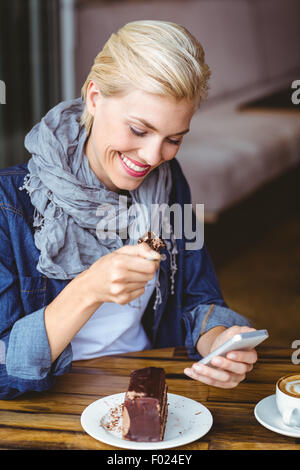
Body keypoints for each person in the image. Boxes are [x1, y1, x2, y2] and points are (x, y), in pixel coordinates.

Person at [0, 20, 257, 400]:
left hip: (148, 385)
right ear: (94, 97)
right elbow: (6, 368)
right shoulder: (10, 205)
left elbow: (197, 298)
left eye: (173, 139)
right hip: (52, 402)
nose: (153, 158)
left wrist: (220, 340)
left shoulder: (170, 183)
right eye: (139, 130)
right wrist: (88, 289)